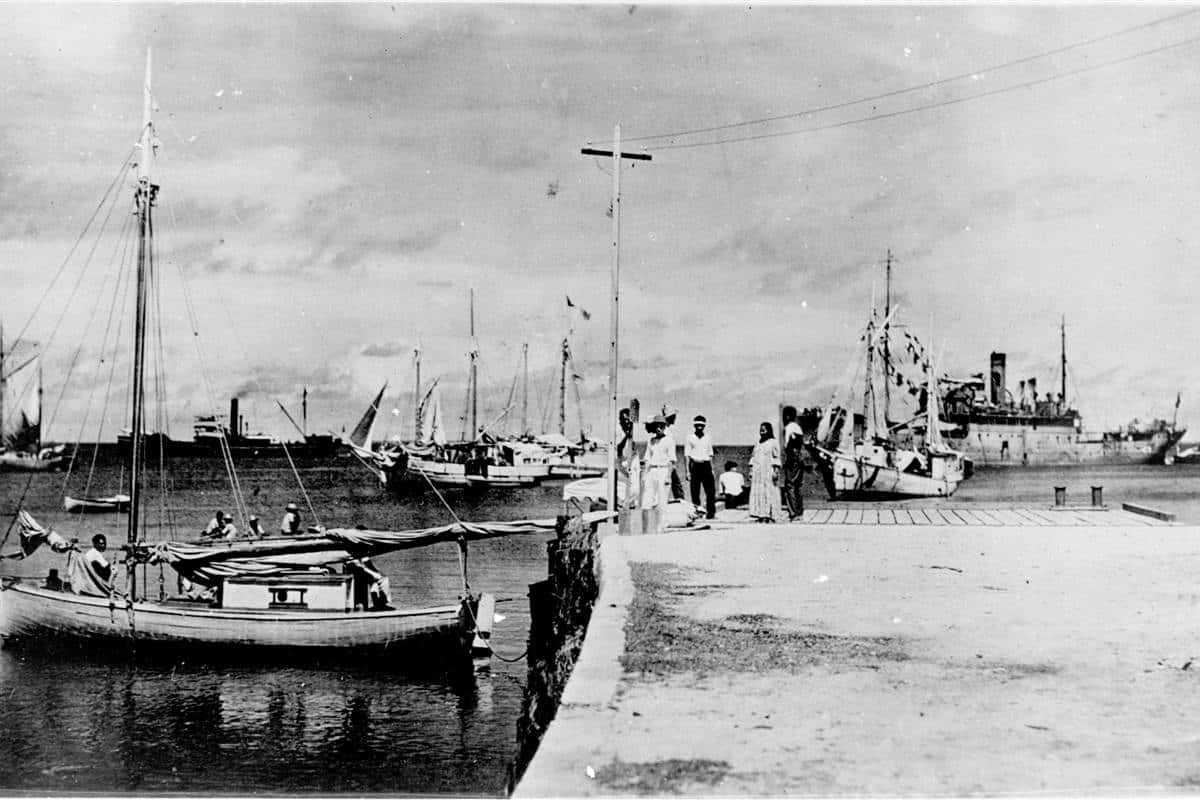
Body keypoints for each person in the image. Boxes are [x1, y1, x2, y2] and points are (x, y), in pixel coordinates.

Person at [640, 415, 673, 532]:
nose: (659, 429)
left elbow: (672, 461)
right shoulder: (651, 441)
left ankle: (661, 525)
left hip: (663, 470)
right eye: (657, 426)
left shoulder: (669, 440)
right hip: (652, 471)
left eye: (661, 426)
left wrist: (668, 476)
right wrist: (644, 475)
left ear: (664, 427)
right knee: (647, 498)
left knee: (662, 499)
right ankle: (646, 525)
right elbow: (647, 459)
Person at [749, 422, 782, 523]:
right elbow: (753, 457)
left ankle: (769, 514)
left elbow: (776, 457)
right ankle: (761, 514)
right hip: (758, 473)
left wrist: (776, 471)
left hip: (768, 471)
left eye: (764, 430)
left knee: (769, 492)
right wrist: (751, 471)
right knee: (759, 492)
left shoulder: (773, 442)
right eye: (760, 430)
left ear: (769, 430)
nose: (762, 432)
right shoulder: (758, 443)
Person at [685, 414, 716, 519]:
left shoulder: (708, 437)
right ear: (694, 425)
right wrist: (687, 471)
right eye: (697, 425)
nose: (699, 427)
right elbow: (687, 456)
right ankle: (697, 513)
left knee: (710, 491)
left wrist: (712, 469)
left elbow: (710, 454)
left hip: (706, 465)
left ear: (704, 426)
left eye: (701, 425)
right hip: (695, 466)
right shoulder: (689, 437)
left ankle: (711, 513)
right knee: (695, 491)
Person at [781, 405, 806, 521]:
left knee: (790, 485)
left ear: (787, 416)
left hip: (792, 457)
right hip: (800, 457)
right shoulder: (798, 427)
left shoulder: (789, 427)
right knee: (798, 485)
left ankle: (793, 512)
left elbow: (786, 445)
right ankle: (800, 511)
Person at [661, 404, 685, 500]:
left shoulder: (666, 430)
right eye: (674, 416)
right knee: (676, 488)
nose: (675, 418)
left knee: (677, 488)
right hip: (667, 464)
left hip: (669, 464)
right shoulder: (665, 431)